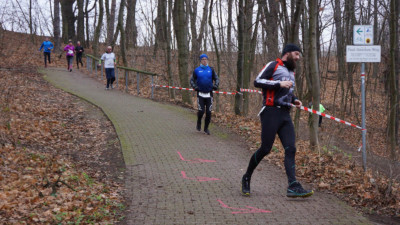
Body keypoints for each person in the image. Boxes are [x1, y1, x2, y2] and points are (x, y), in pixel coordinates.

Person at [241, 44, 314, 198]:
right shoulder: (273, 65)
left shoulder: (291, 71)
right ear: (287, 53)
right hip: (270, 112)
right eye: (296, 54)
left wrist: (295, 100)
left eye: (299, 55)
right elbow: (257, 81)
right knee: (265, 148)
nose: (298, 58)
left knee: (291, 149)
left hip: (285, 114)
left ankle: (293, 185)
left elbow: (288, 91)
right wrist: (278, 83)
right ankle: (246, 177)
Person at [190, 54, 219, 135]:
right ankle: (199, 122)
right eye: (202, 59)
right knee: (201, 111)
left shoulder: (211, 70)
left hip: (209, 94)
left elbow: (216, 78)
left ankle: (206, 128)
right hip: (200, 94)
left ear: (207, 60)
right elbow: (192, 80)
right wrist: (195, 87)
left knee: (209, 112)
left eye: (206, 59)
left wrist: (216, 85)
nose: (204, 60)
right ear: (200, 61)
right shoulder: (196, 70)